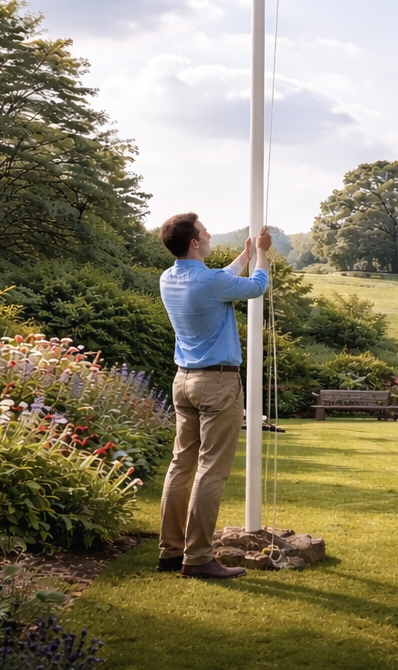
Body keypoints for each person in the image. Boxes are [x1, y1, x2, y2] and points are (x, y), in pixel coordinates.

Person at [156, 213, 271, 580]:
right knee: (211, 470)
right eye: (204, 233)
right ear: (194, 243)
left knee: (181, 466)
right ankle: (199, 558)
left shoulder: (169, 277)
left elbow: (222, 280)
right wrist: (263, 256)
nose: (208, 236)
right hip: (217, 385)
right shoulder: (211, 281)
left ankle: (171, 553)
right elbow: (256, 287)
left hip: (183, 382)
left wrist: (246, 253)